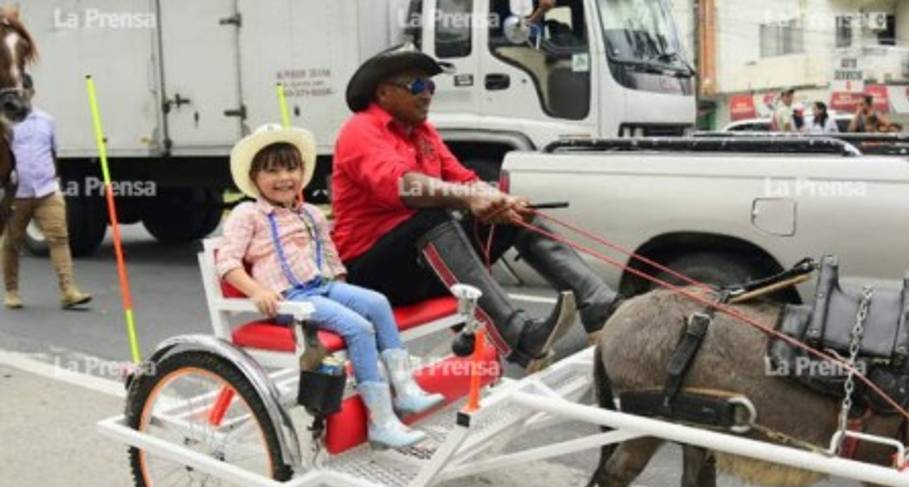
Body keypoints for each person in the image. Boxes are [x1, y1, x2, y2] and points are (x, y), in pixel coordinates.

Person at [331, 46, 620, 371]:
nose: (427, 95)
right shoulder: (360, 130)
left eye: (431, 87)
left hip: (422, 262)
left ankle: (598, 303)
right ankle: (520, 336)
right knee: (433, 217)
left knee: (515, 213)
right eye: (416, 86)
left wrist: (500, 200)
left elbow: (464, 178)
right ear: (383, 92)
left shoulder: (424, 133)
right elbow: (403, 186)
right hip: (373, 274)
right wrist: (468, 197)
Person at [217, 124, 444, 450]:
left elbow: (330, 254)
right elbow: (227, 263)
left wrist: (341, 286)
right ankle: (381, 420)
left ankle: (405, 389)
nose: (285, 177)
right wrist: (257, 291)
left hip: (322, 287)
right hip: (290, 301)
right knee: (358, 328)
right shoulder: (247, 214)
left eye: (292, 168)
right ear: (254, 178)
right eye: (272, 171)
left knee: (377, 303)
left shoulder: (310, 212)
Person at [1, 75, 90, 310]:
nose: (19, 95)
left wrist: (55, 179)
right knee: (12, 242)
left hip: (46, 190)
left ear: (32, 92)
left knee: (59, 238)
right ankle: (11, 291)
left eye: (23, 90)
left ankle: (68, 290)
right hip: (16, 193)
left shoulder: (47, 120)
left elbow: (53, 152)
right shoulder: (4, 123)